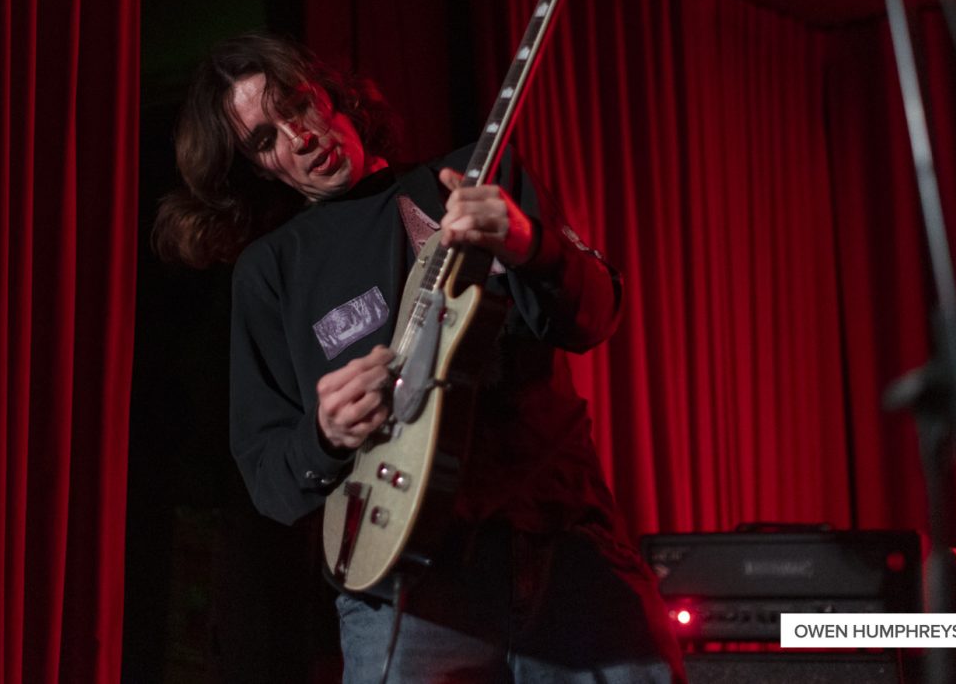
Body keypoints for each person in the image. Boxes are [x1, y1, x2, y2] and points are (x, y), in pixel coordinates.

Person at [155, 34, 684, 684]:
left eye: (295, 103)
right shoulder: (272, 272)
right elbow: (267, 475)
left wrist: (531, 245)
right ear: (257, 167)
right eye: (265, 139)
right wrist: (325, 434)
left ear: (327, 90)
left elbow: (596, 316)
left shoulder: (473, 178)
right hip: (409, 590)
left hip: (566, 549)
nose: (297, 136)